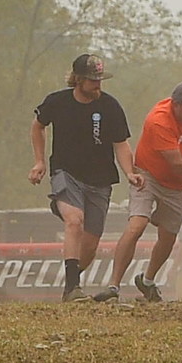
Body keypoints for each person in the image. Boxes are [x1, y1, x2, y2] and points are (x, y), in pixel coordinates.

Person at [30, 52, 135, 301]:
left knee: (90, 246)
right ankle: (72, 289)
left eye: (100, 79)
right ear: (77, 79)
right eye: (92, 80)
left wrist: (130, 172)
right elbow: (38, 126)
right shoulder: (57, 102)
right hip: (66, 173)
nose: (97, 84)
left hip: (100, 179)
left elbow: (121, 144)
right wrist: (39, 161)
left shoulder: (110, 106)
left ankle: (70, 283)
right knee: (74, 220)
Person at [106, 79, 182, 302]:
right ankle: (113, 286)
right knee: (137, 225)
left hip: (177, 185)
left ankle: (148, 280)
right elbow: (178, 164)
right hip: (149, 175)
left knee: (168, 237)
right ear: (177, 105)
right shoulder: (159, 121)